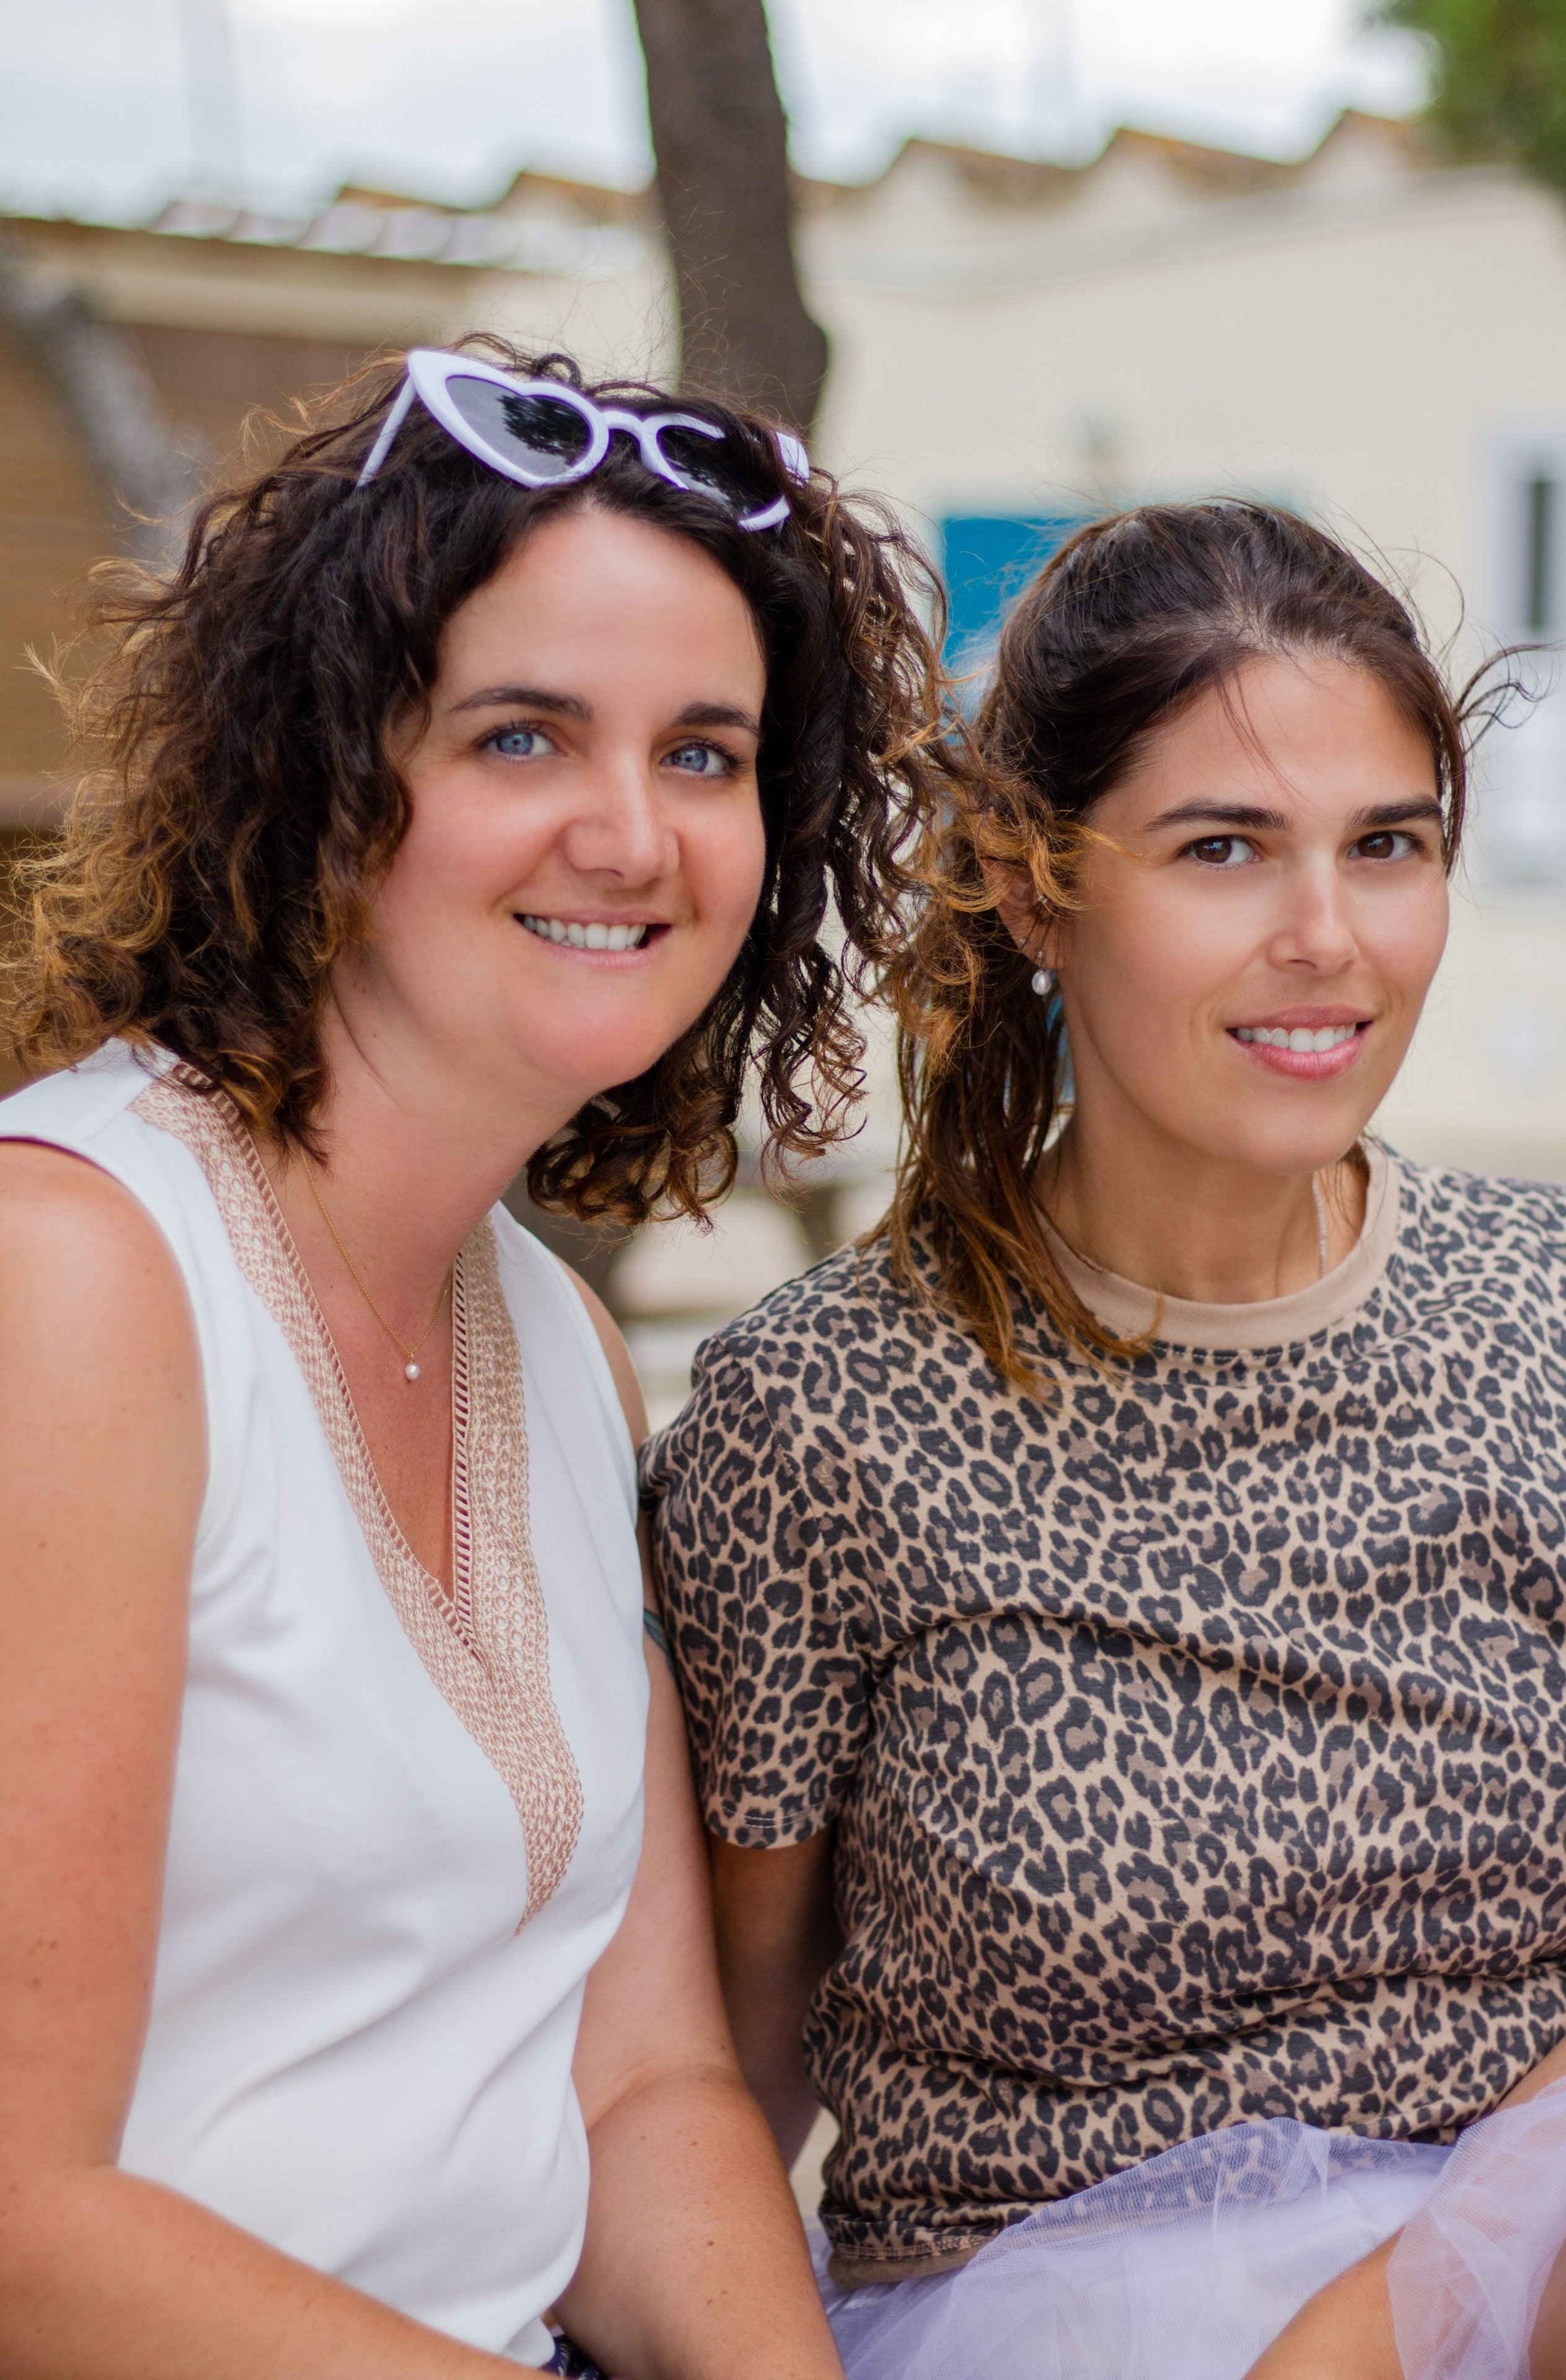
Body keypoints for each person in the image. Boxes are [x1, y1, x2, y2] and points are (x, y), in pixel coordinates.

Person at [0, 340, 951, 2380]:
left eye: (704, 754)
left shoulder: (555, 1344)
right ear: (325, 774)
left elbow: (638, 2091)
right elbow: (20, 2225)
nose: (632, 832)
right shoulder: (73, 1281)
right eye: (525, 738)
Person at [641, 501, 1566, 2379]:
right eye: (1224, 849)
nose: (1329, 939)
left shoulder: (1562, 1313)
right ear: (1035, 884)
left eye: (1387, 846)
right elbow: (713, 2073)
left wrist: (1396, 2320)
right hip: (1040, 2313)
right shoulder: (815, 1419)